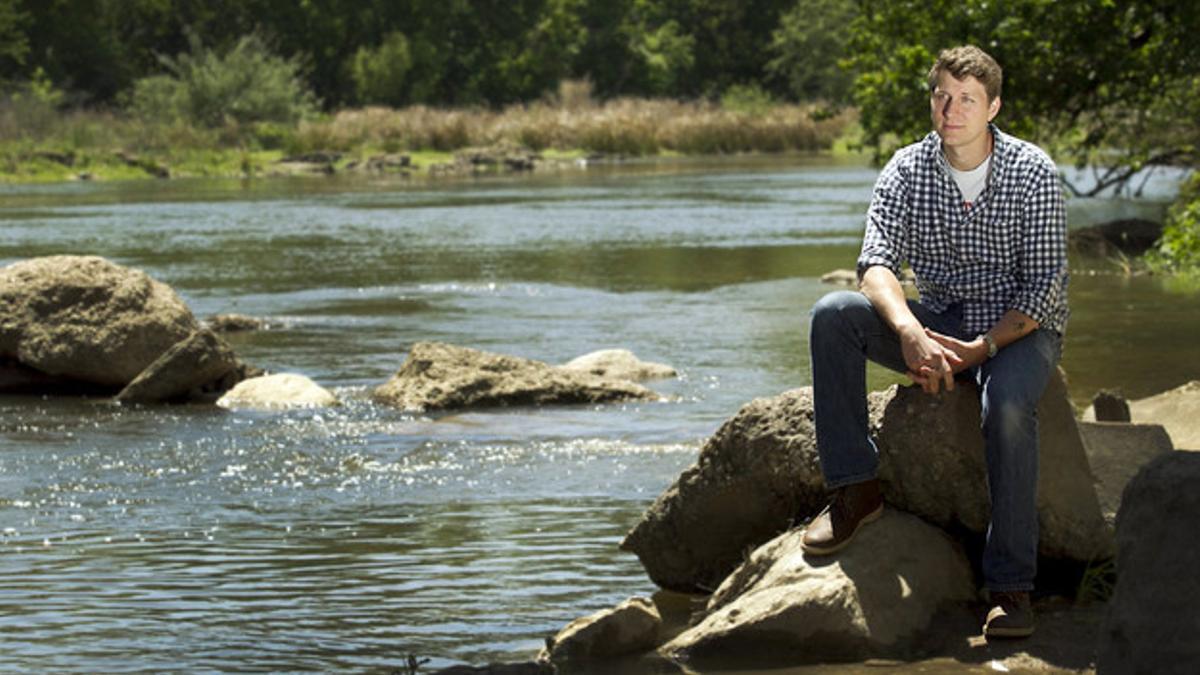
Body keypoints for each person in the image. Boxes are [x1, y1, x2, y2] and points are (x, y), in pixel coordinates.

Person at [800, 45, 1069, 639]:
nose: (950, 109)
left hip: (1017, 328)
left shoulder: (1033, 172)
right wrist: (909, 331)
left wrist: (981, 350)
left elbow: (1045, 285)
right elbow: (874, 264)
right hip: (936, 319)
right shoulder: (905, 168)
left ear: (993, 106)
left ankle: (1010, 588)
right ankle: (855, 490)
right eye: (941, 95)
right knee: (832, 316)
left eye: (967, 98)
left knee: (1004, 409)